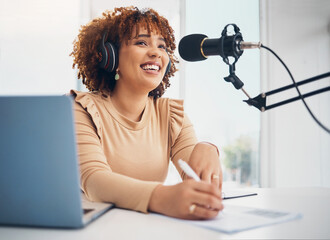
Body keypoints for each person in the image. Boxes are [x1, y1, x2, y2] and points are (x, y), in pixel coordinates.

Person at [70, 6, 223, 220]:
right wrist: (162, 198)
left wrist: (207, 148)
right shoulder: (82, 108)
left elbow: (194, 174)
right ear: (109, 56)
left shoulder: (171, 114)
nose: (156, 53)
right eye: (141, 42)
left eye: (162, 46)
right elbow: (95, 181)